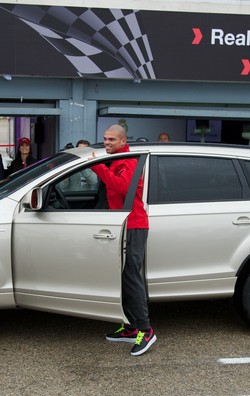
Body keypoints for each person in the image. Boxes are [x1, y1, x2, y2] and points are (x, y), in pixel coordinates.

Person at [91, 124, 156, 356]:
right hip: (123, 226)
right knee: (124, 277)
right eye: (105, 139)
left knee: (131, 277)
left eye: (111, 140)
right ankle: (130, 327)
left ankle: (146, 331)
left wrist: (97, 167)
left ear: (122, 141)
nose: (106, 142)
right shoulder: (118, 158)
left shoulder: (127, 160)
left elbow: (122, 187)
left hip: (134, 225)